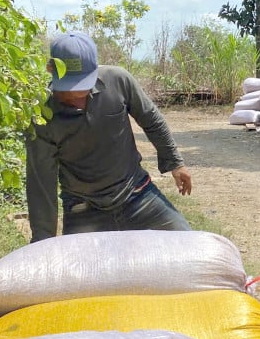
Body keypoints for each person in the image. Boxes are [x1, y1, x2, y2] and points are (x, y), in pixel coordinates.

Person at [25, 31, 194, 243]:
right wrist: (42, 242)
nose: (77, 98)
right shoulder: (41, 115)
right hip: (83, 210)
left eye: (82, 87)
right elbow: (41, 183)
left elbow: (151, 119)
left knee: (189, 245)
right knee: (79, 274)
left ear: (94, 71)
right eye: (69, 90)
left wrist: (175, 163)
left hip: (138, 196)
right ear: (51, 70)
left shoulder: (118, 80)